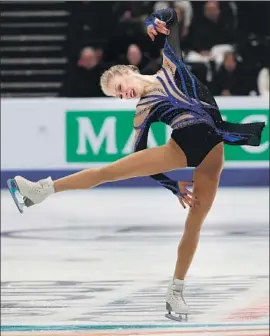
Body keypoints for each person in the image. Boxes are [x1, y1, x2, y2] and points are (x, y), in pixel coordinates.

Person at [7, 8, 265, 322]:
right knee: (108, 172)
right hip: (181, 147)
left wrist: (152, 21)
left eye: (119, 86)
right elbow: (142, 157)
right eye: (117, 96)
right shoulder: (143, 111)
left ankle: (175, 290)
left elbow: (171, 18)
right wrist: (173, 185)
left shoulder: (171, 65)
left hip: (213, 152)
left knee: (195, 223)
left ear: (129, 69)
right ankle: (39, 190)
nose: (122, 94)